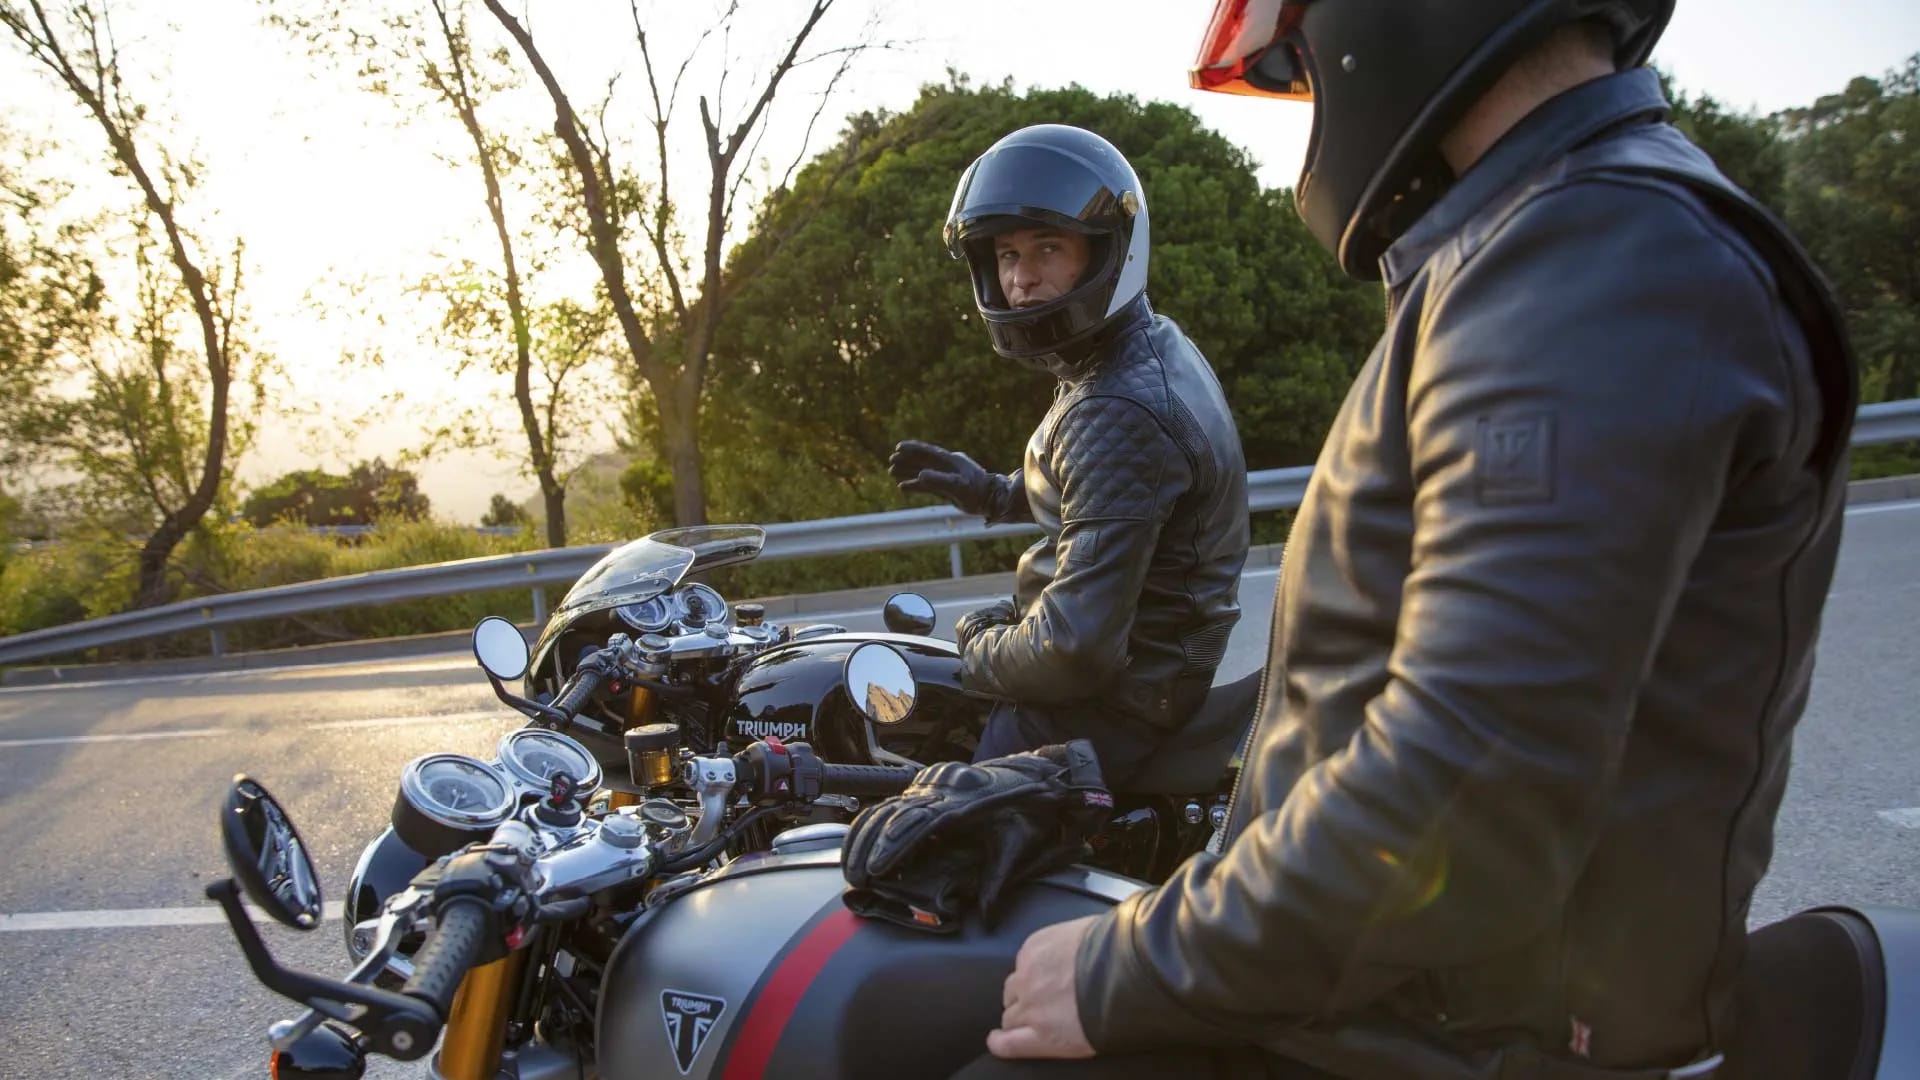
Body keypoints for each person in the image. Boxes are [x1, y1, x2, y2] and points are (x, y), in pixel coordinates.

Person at [975, 1, 1860, 1078]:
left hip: (1441, 1033)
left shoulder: (1594, 259)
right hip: (1392, 995)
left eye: (1304, 68)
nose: (1316, 106)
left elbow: (1472, 786)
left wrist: (1135, 968)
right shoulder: (1551, 241)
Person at [889, 123, 1251, 786]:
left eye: (1048, 248)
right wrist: (994, 492)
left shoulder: (1115, 402)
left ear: (1108, 252)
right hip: (1151, 674)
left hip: (1105, 706)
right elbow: (1115, 496)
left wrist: (974, 646)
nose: (1021, 279)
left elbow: (1069, 652)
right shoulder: (1139, 350)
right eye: (1006, 254)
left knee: (931, 836)